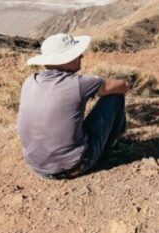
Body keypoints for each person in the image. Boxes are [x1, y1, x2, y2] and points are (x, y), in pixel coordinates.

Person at [17, 33, 130, 179]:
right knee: (114, 96)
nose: (81, 56)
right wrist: (97, 83)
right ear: (66, 59)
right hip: (75, 166)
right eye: (76, 54)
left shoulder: (29, 81)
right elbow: (124, 86)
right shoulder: (79, 83)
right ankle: (113, 147)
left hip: (37, 168)